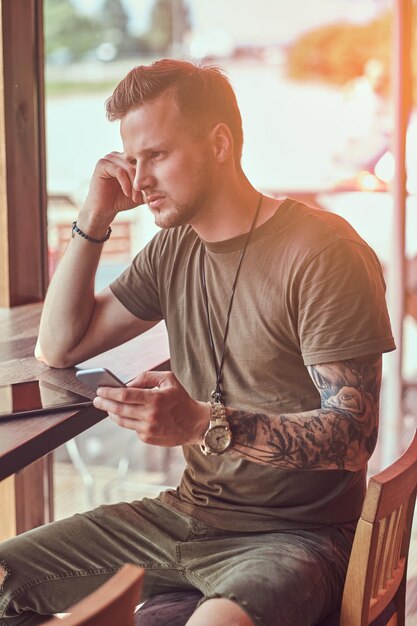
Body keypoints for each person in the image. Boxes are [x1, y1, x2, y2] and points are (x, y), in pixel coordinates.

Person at [0, 59, 395, 626]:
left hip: (295, 537)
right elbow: (58, 348)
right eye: (131, 162)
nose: (138, 182)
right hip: (184, 516)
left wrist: (202, 423)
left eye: (156, 156)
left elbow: (353, 436)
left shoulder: (322, 252)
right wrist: (95, 214)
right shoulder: (175, 247)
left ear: (219, 144)